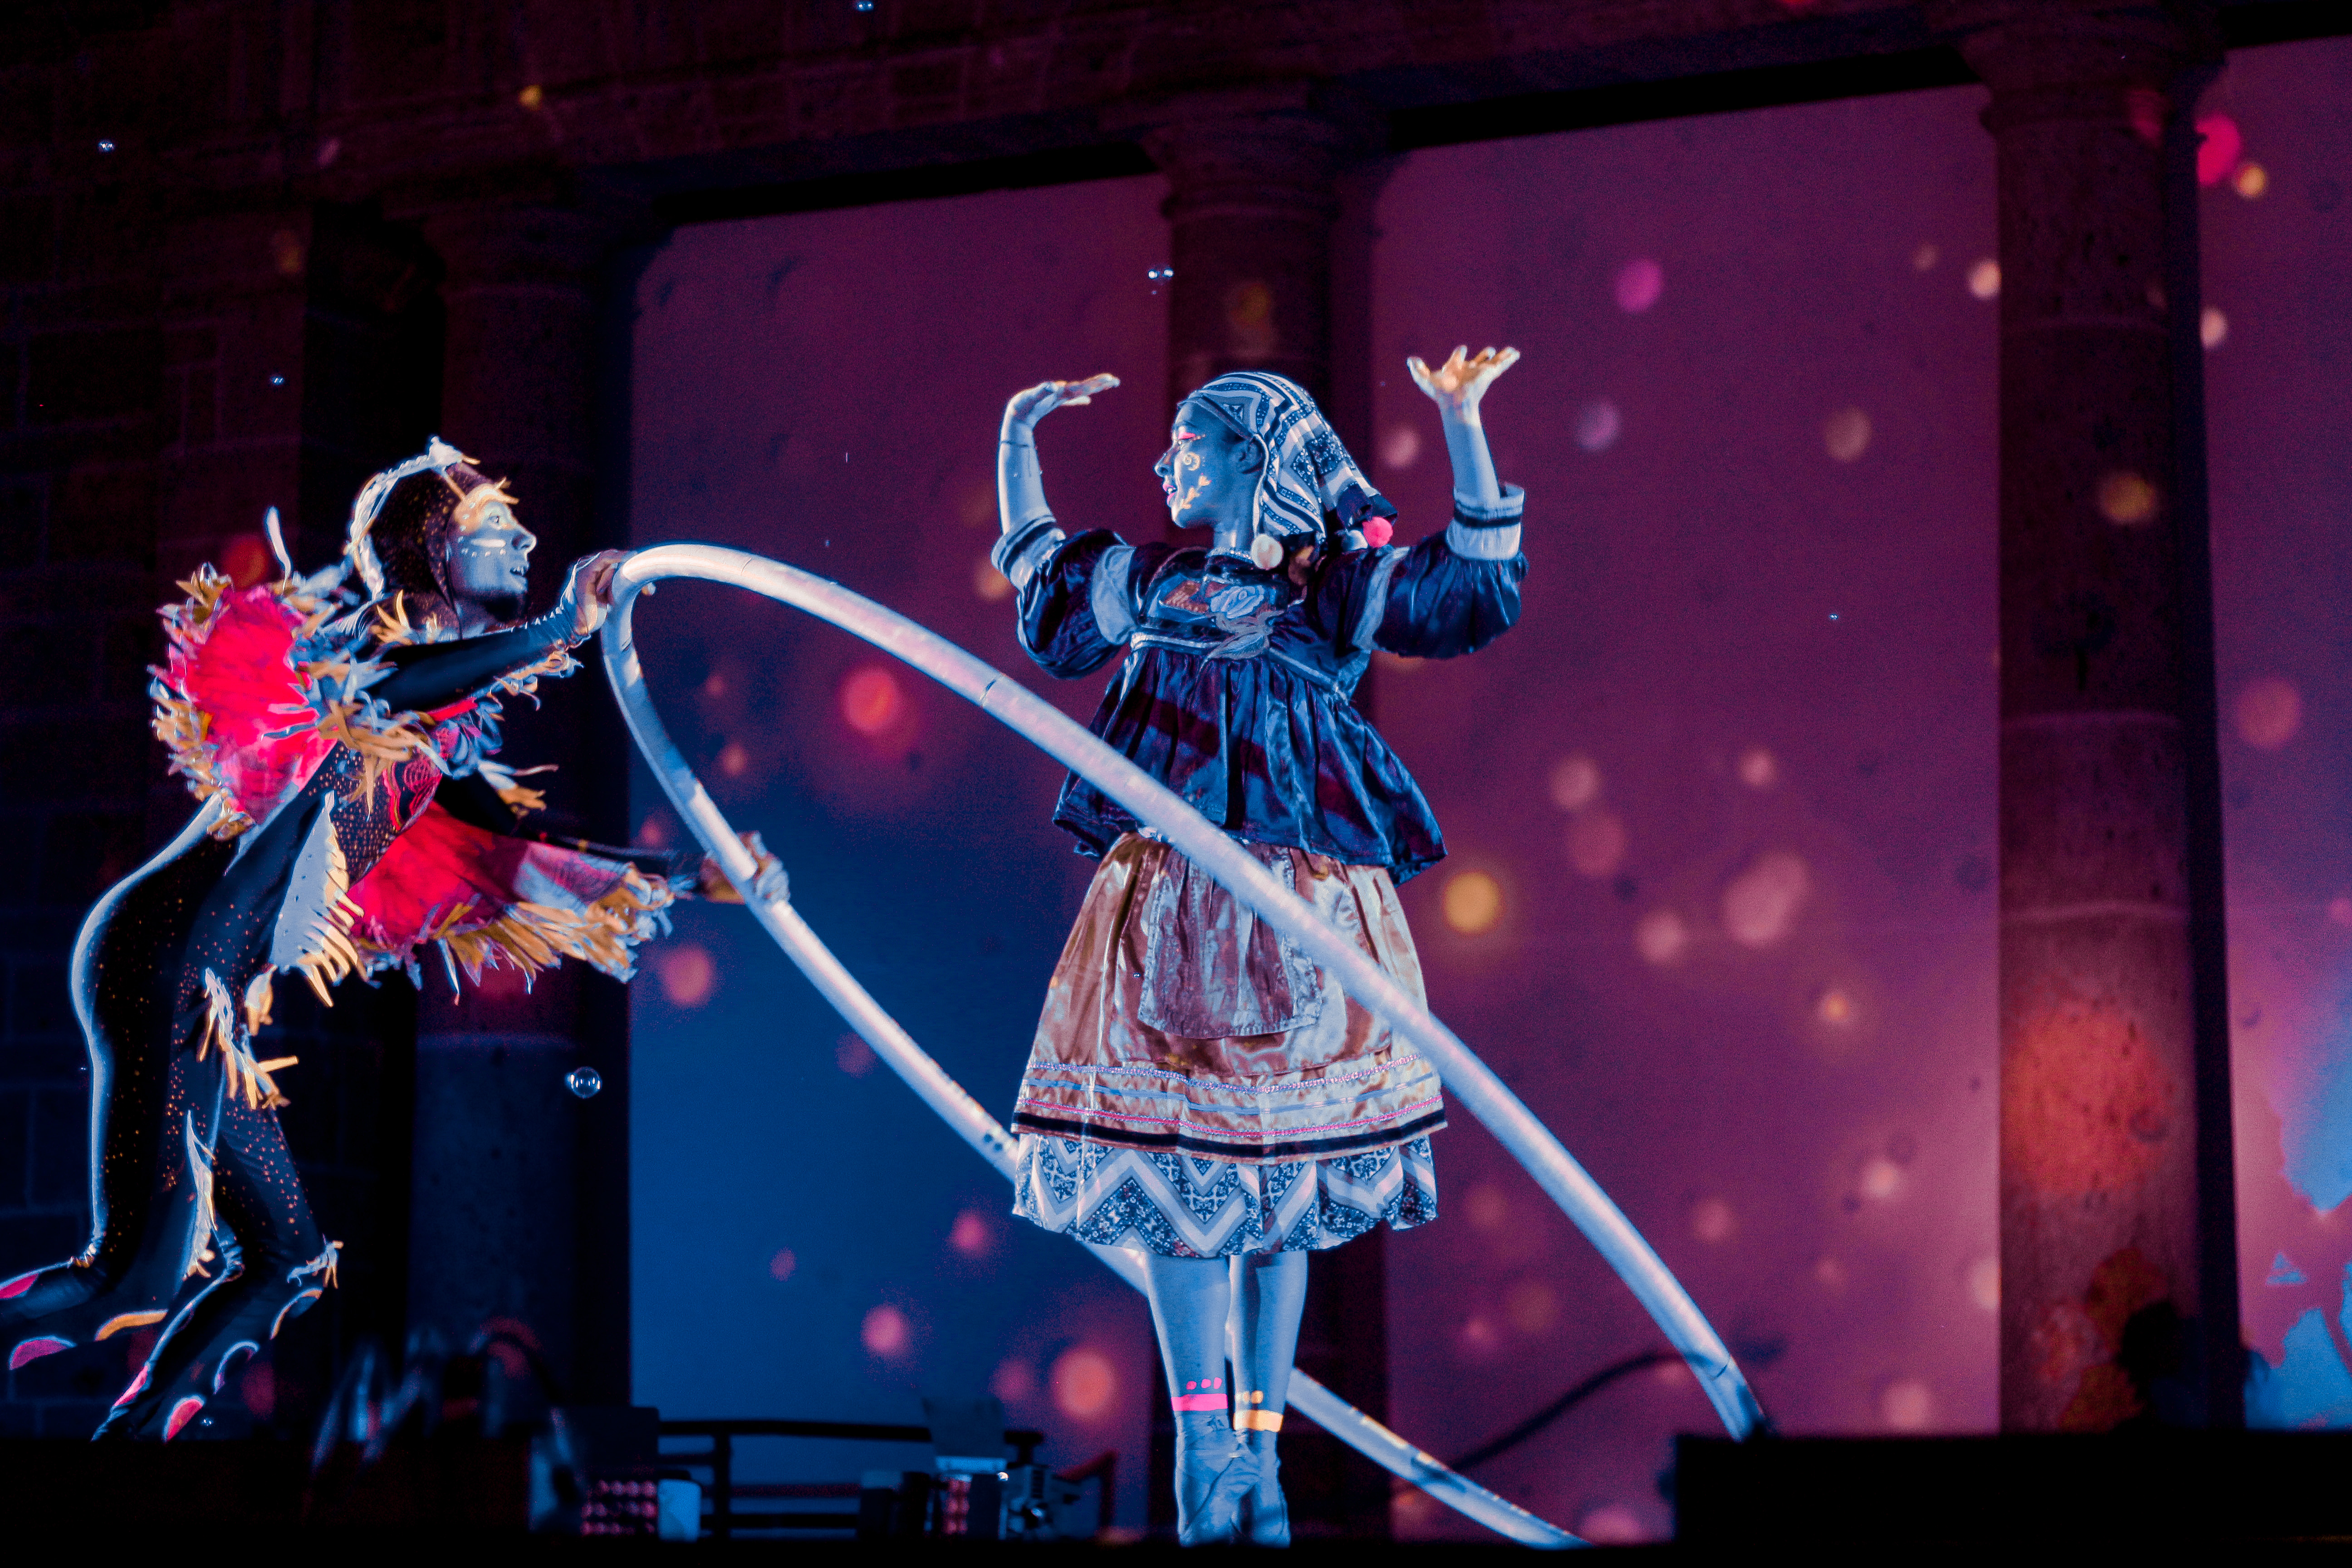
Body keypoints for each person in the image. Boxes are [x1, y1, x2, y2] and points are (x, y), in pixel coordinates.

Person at [0, 440, 776, 1440]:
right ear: (436, 553)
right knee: (134, 1275)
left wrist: (696, 874)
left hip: (204, 985)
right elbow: (395, 686)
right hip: (169, 960)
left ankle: (129, 1457)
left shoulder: (437, 726)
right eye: (499, 528)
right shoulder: (358, 659)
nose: (527, 542)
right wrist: (555, 631)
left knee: (285, 1262)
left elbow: (516, 848)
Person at [991, 348, 1525, 1543]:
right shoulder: (1156, 581)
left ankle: (1262, 1449)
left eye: (1189, 440)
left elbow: (1467, 594)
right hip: (1170, 905)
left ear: (1252, 454)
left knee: (1277, 1193)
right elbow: (1045, 594)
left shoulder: (1331, 586)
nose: (1163, 461)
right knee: (1181, 1184)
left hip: (1301, 905)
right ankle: (1205, 1441)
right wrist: (1018, 443)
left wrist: (1462, 424)